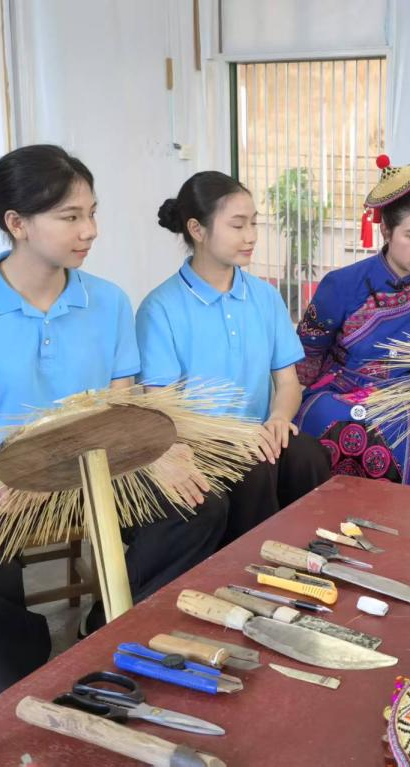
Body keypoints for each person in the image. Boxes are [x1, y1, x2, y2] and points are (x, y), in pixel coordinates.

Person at [0, 145, 225, 746]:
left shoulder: (107, 301)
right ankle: (16, 677)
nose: (90, 231)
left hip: (96, 466)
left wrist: (160, 450)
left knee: (199, 504)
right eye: (70, 216)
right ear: (17, 223)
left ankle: (106, 634)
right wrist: (1, 478)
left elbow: (120, 409)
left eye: (92, 212)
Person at [138, 171, 330, 545]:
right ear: (197, 229)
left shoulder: (265, 297)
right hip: (199, 445)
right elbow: (160, 410)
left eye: (254, 223)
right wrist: (233, 436)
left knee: (308, 455)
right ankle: (251, 568)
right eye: (238, 225)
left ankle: (312, 556)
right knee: (254, 468)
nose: (251, 236)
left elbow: (288, 383)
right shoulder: (160, 308)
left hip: (259, 433)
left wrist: (279, 418)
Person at [294, 157, 410, 489]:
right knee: (336, 417)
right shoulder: (341, 283)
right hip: (337, 391)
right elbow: (307, 357)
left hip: (403, 401)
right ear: (386, 231)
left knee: (397, 425)